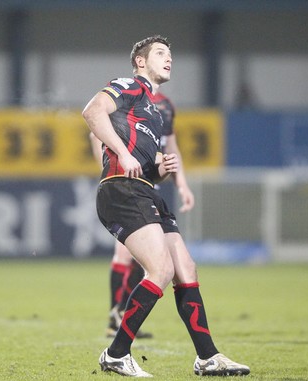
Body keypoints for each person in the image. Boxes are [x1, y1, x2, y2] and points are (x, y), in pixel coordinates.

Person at [82, 35, 250, 377]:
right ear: (140, 62)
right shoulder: (128, 85)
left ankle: (207, 357)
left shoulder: (154, 112)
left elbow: (146, 170)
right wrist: (124, 152)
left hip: (144, 190)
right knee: (160, 271)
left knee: (185, 269)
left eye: (171, 54)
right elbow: (92, 112)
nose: (168, 59)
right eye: (160, 53)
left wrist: (160, 169)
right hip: (121, 189)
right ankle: (116, 354)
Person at [90, 90, 195, 340]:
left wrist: (182, 185)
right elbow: (96, 131)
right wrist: (107, 168)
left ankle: (122, 315)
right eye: (159, 55)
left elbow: (171, 148)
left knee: (147, 260)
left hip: (152, 184)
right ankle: (115, 315)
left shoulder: (165, 107)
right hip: (128, 182)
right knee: (128, 253)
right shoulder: (128, 96)